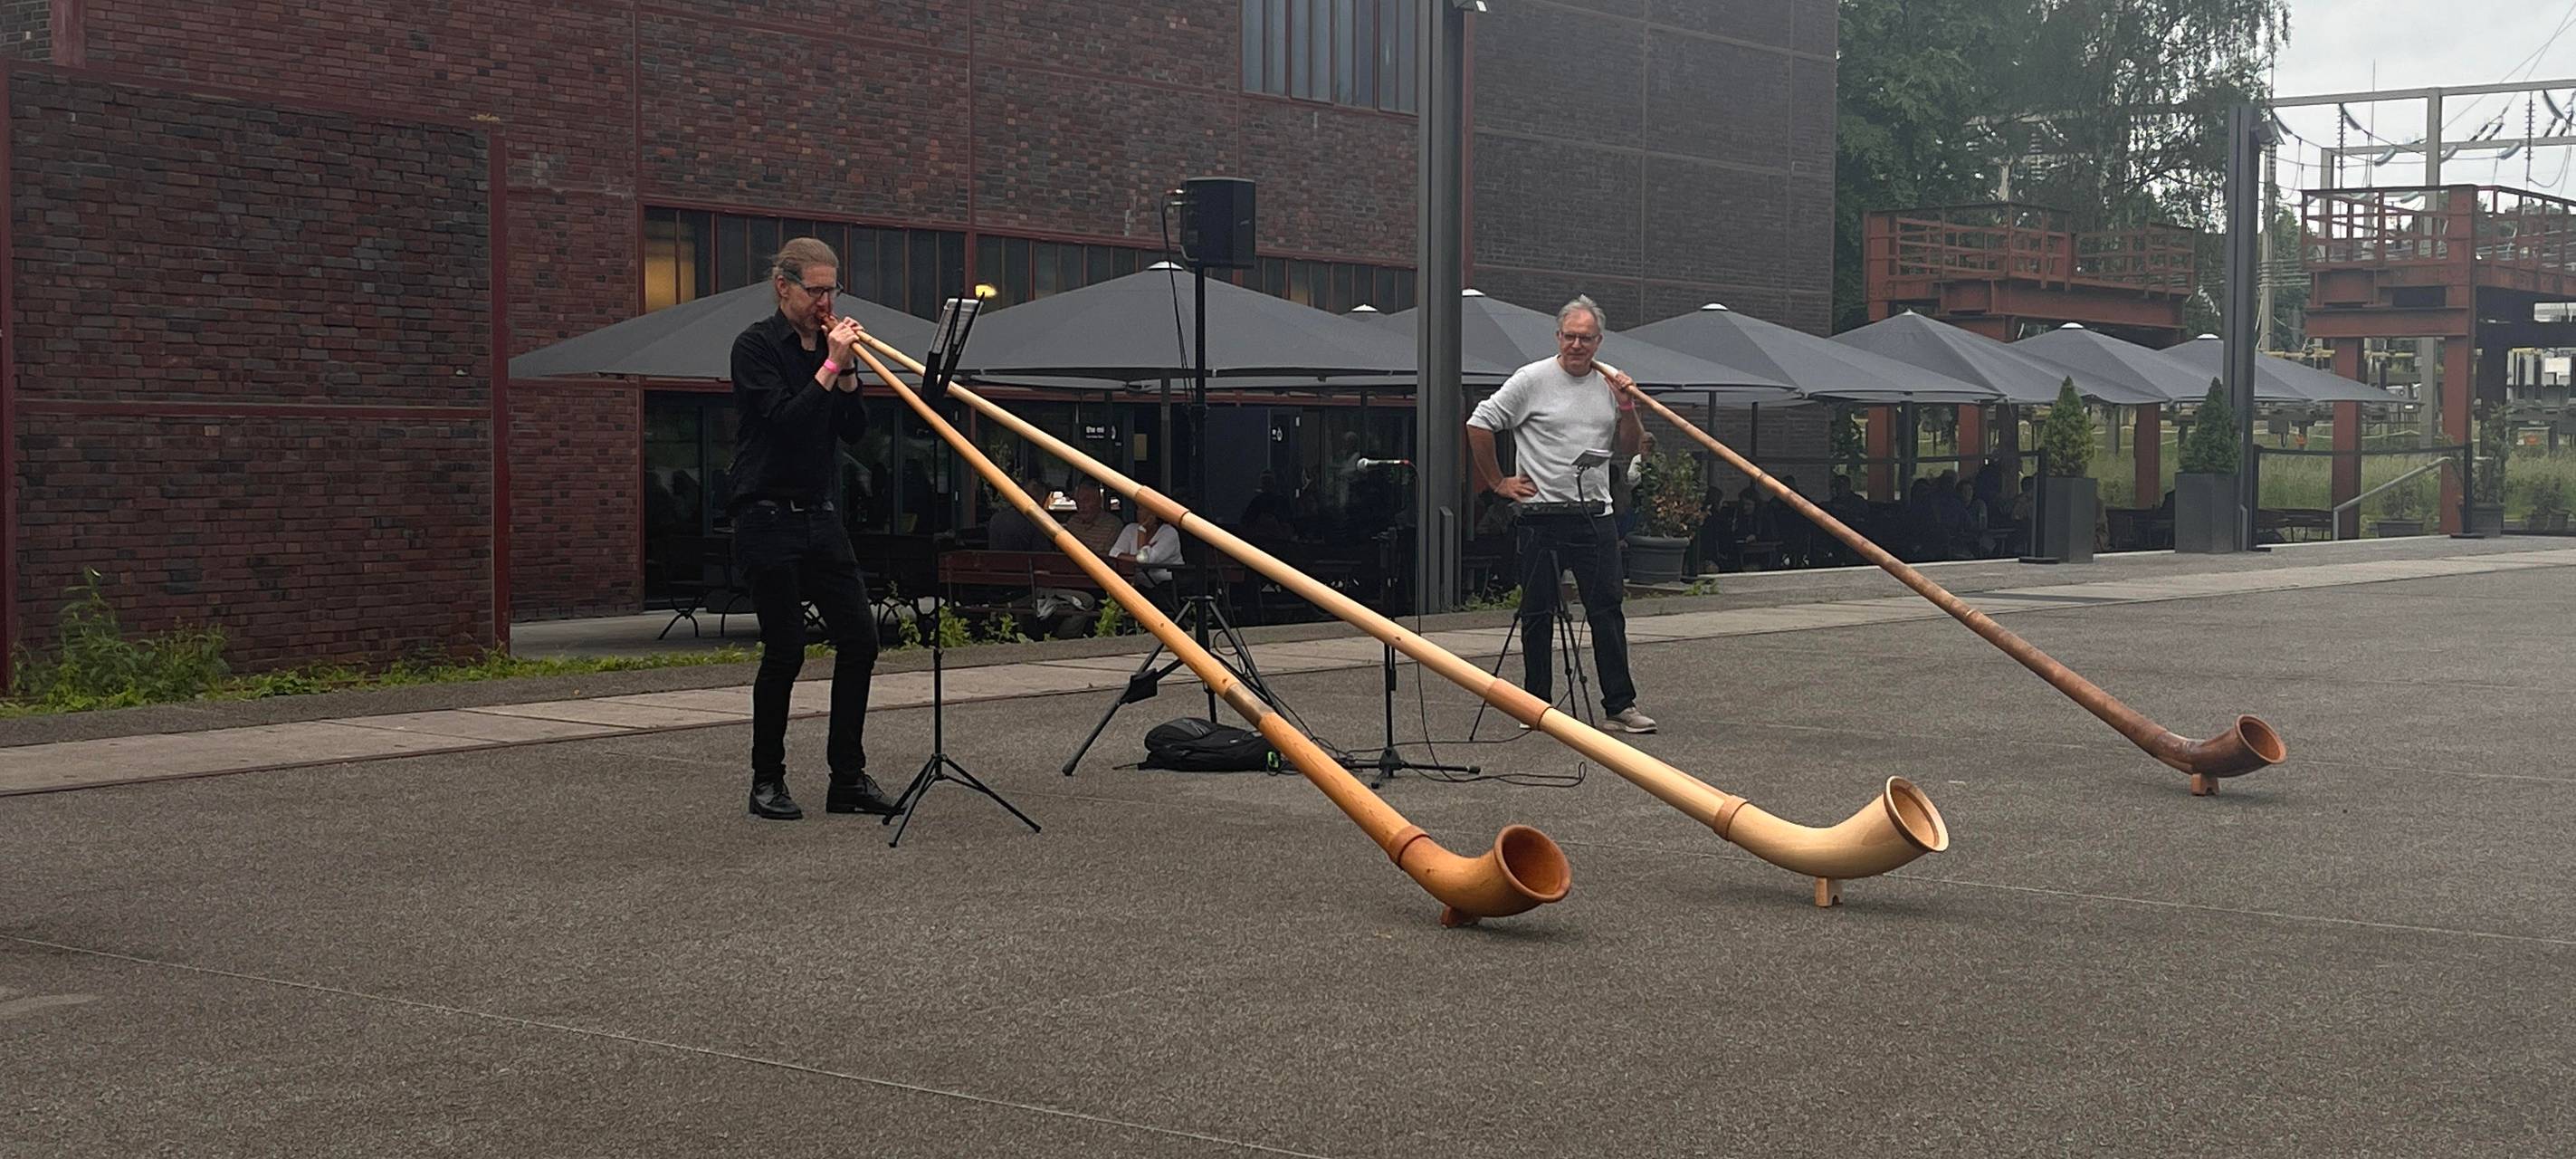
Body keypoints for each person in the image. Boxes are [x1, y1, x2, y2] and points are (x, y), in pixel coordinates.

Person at [726, 237, 897, 821]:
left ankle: (845, 778)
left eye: (832, 289)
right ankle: (766, 780)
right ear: (784, 287)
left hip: (821, 515)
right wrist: (829, 366)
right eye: (815, 290)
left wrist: (847, 374)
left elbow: (853, 431)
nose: (825, 301)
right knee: (786, 651)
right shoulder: (755, 347)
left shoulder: (828, 350)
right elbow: (785, 423)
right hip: (766, 515)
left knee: (860, 641)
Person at [1465, 294, 1656, 733]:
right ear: (1558, 337)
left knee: (1606, 608)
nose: (1576, 345)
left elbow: (1630, 447)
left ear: (1598, 341)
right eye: (1569, 336)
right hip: (1540, 515)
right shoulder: (1531, 379)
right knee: (1537, 611)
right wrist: (1498, 482)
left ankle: (1619, 704)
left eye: (1585, 338)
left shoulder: (1610, 385)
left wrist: (1627, 406)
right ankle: (1537, 705)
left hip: (1594, 513)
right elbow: (1478, 423)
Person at [1111, 505, 1185, 612]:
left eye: (1143, 509)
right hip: (1137, 583)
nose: (1139, 513)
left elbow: (1144, 561)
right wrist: (1138, 556)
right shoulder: (1130, 529)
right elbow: (1113, 554)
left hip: (1165, 587)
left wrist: (1142, 532)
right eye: (1138, 509)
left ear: (1155, 514)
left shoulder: (1169, 533)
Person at [985, 468, 1047, 552]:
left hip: (996, 564)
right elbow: (1043, 553)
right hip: (1025, 564)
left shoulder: (996, 519)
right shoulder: (1034, 523)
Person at [1064, 479, 1123, 556]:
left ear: (1099, 501)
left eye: (1086, 501)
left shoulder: (1113, 525)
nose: (1082, 506)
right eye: (1078, 501)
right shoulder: (1072, 523)